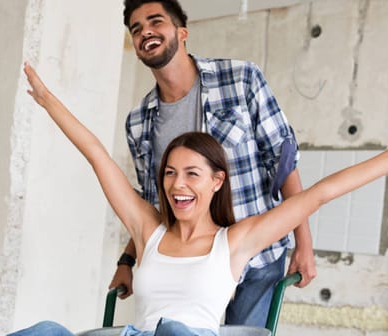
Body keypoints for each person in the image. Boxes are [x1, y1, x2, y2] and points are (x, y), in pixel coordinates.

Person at [9, 62, 388, 336]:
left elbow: (320, 193)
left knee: (177, 333)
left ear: (217, 182)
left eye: (192, 174)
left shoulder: (235, 242)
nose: (177, 184)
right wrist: (47, 101)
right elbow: (96, 155)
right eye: (169, 174)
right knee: (44, 331)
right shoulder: (148, 231)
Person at [112, 0, 316, 326]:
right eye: (136, 29)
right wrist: (127, 259)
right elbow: (152, 203)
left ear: (182, 32)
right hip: (189, 258)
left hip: (255, 252)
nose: (145, 32)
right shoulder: (138, 123)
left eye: (155, 22)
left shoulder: (240, 80)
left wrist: (303, 243)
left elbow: (283, 161)